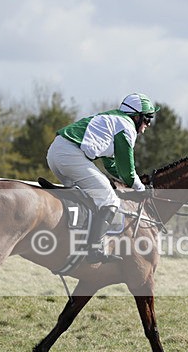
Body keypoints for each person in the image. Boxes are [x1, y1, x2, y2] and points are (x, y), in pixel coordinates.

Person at [46, 93, 159, 263]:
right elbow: (127, 172)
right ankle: (94, 249)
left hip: (55, 151)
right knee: (110, 200)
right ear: (136, 117)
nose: (148, 124)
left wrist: (129, 182)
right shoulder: (127, 127)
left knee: (87, 197)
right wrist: (141, 188)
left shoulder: (114, 120)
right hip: (69, 155)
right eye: (147, 119)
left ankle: (71, 239)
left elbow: (111, 165)